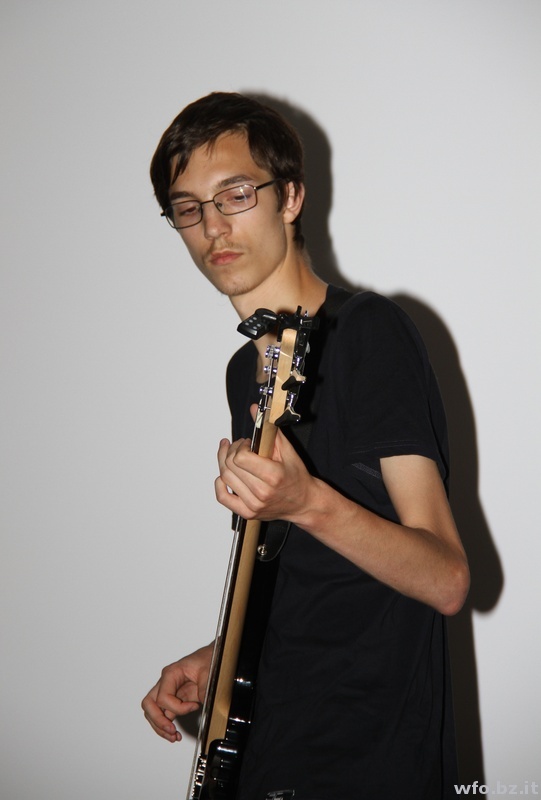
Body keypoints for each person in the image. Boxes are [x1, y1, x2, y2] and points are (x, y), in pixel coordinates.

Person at [141, 92, 470, 799]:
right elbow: (307, 580)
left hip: (368, 759)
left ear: (289, 197)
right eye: (188, 208)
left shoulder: (370, 333)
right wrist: (223, 654)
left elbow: (446, 579)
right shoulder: (246, 369)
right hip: (272, 746)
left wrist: (307, 502)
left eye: (236, 195)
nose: (213, 226)